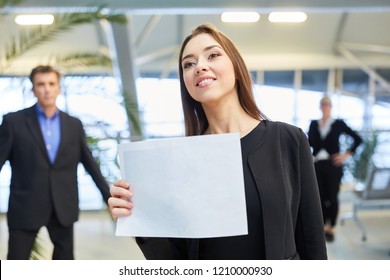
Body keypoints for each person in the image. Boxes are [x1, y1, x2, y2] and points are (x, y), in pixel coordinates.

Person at [109, 24, 327, 260]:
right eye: (188, 64)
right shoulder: (181, 160)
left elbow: (311, 239)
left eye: (212, 55)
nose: (200, 67)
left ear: (235, 66)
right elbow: (175, 260)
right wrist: (139, 218)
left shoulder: (288, 140)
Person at [0, 65, 111, 259]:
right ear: (33, 89)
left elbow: (89, 164)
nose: (47, 89)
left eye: (51, 83)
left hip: (63, 207)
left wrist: (108, 197)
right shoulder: (13, 122)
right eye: (41, 84)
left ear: (59, 87)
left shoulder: (73, 125)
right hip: (25, 207)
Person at [308, 96, 362, 242]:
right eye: (323, 105)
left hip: (333, 165)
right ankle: (323, 226)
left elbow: (358, 139)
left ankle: (331, 227)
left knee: (332, 197)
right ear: (320, 107)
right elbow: (309, 143)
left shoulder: (338, 124)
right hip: (317, 165)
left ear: (331, 107)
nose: (325, 107)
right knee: (319, 197)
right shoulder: (314, 124)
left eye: (327, 105)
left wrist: (345, 155)